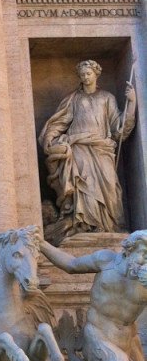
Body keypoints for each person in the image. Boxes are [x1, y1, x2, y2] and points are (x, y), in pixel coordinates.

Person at [39, 60, 136, 237]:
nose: (85, 77)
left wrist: (131, 103)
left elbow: (119, 128)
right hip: (79, 147)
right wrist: (50, 135)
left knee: (109, 185)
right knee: (84, 184)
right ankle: (85, 225)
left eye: (88, 74)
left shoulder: (107, 98)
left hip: (101, 148)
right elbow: (61, 121)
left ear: (96, 74)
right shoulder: (73, 99)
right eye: (82, 75)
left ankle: (108, 225)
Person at [40, 232, 147, 361]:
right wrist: (41, 244)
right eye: (144, 254)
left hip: (130, 340)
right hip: (98, 334)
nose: (146, 263)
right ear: (129, 251)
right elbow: (71, 265)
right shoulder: (106, 260)